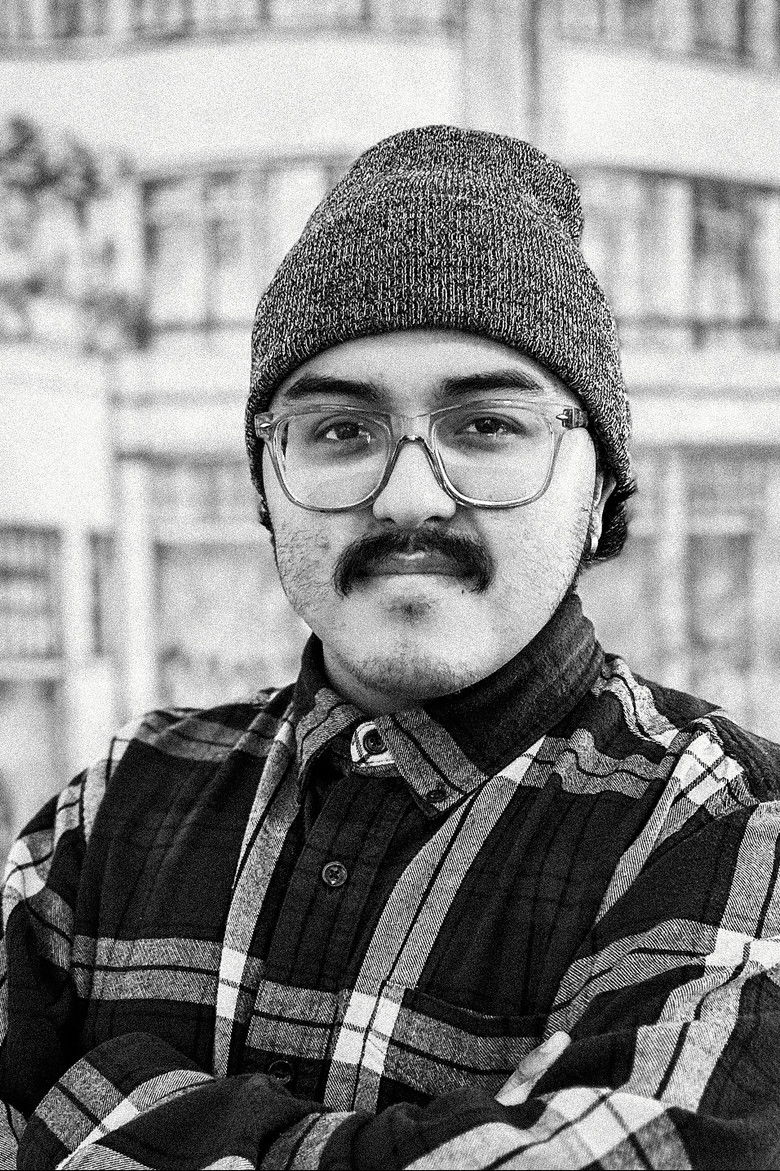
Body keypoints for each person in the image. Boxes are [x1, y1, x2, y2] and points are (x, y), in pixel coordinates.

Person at [2, 125, 779, 1170]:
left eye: (487, 426)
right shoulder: (115, 807)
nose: (411, 496)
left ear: (598, 487)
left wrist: (99, 1109)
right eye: (340, 431)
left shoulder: (730, 828)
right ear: (267, 484)